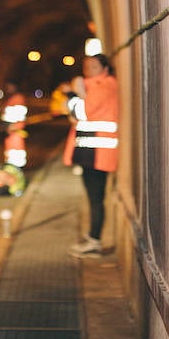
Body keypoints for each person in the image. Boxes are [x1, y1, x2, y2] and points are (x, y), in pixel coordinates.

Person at [60, 53, 119, 257]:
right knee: (93, 197)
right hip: (90, 150)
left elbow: (81, 112)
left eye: (94, 66)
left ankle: (94, 242)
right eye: (86, 67)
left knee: (95, 197)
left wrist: (71, 95)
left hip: (98, 153)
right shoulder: (94, 86)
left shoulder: (106, 86)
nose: (88, 71)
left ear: (105, 69)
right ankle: (92, 237)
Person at [0, 79, 28, 169]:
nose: (8, 88)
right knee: (11, 150)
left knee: (16, 150)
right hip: (10, 129)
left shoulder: (18, 98)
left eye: (10, 86)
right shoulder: (10, 98)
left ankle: (16, 168)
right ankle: (11, 167)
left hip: (15, 129)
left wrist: (14, 126)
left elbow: (18, 114)